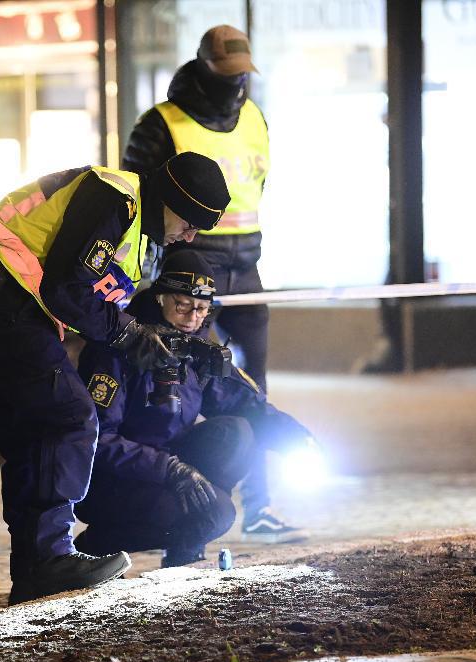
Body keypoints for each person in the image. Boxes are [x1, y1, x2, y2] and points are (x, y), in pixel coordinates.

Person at [0, 152, 230, 604]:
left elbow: (91, 305)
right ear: (170, 198)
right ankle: (51, 555)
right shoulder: (114, 197)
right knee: (70, 416)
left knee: (31, 434)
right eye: (190, 222)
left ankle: (34, 569)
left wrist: (154, 341)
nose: (188, 235)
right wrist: (129, 335)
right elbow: (65, 289)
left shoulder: (134, 237)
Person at [122, 25, 298, 541]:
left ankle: (262, 507)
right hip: (192, 270)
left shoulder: (254, 116)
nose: (236, 83)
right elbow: (141, 199)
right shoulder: (161, 123)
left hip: (248, 267)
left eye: (242, 74)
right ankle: (186, 502)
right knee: (193, 384)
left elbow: (258, 185)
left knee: (252, 387)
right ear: (202, 69)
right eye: (227, 74)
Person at [73, 251, 320, 565]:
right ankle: (99, 545)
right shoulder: (122, 347)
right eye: (183, 305)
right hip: (111, 480)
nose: (192, 316)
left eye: (202, 308)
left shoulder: (197, 349)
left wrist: (295, 438)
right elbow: (98, 441)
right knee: (216, 514)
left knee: (236, 432)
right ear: (160, 297)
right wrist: (171, 469)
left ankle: (184, 552)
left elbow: (244, 404)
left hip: (164, 468)